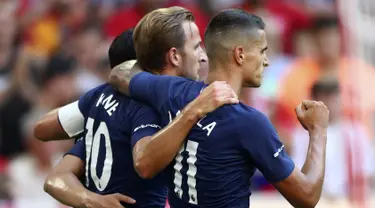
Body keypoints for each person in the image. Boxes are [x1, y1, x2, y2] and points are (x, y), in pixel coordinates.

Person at [109, 8, 330, 208]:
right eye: (262, 51)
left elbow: (119, 73)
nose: (266, 61)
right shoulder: (249, 122)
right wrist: (318, 130)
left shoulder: (172, 90)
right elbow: (307, 196)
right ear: (240, 55)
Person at [35, 11, 237, 208]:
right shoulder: (148, 105)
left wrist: (93, 200)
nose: (202, 57)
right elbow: (144, 163)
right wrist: (193, 112)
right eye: (195, 48)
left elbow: (55, 172)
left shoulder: (98, 102)